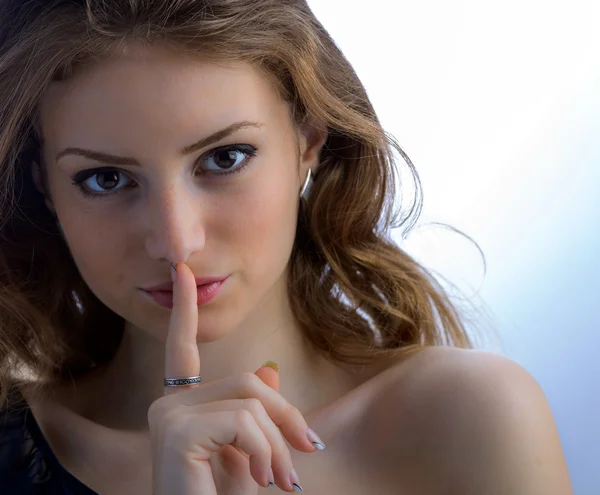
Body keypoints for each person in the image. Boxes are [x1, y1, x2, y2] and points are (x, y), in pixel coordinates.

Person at [0, 0, 573, 494]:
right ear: (43, 187)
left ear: (309, 142)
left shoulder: (469, 421)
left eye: (224, 158)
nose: (177, 241)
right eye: (105, 178)